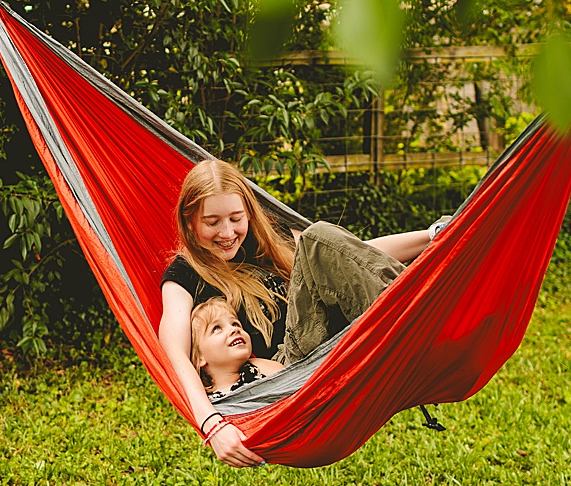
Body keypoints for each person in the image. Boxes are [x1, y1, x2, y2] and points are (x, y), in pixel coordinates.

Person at [158, 159, 443, 467]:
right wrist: (211, 425)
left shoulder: (263, 241)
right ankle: (417, 321)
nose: (227, 232)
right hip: (292, 369)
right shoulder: (185, 275)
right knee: (317, 237)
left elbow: (348, 258)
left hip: (335, 337)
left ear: (248, 215)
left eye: (236, 218)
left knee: (319, 241)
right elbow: (174, 354)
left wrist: (430, 236)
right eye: (212, 222)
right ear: (189, 222)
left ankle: (417, 312)